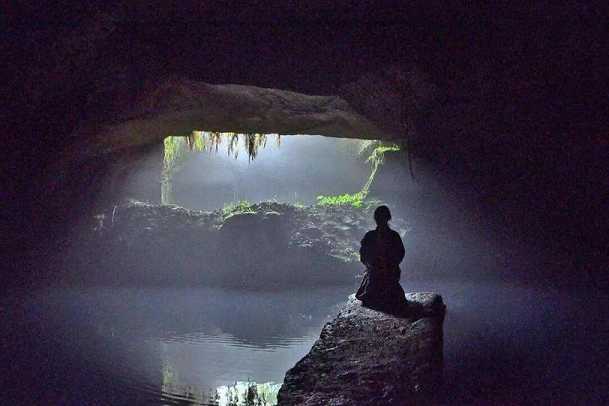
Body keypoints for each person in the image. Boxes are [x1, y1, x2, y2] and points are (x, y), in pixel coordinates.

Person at [356, 205, 409, 315]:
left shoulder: (370, 236)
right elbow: (400, 254)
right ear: (388, 218)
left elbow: (363, 256)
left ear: (375, 219)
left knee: (373, 292)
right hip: (385, 272)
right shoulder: (393, 236)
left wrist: (376, 265)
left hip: (382, 272)